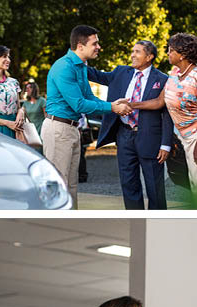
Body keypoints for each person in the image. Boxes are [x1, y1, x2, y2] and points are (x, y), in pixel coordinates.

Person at [130, 33, 197, 209]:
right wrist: (131, 104)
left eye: (171, 50)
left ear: (182, 55)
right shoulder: (175, 72)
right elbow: (159, 102)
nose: (168, 54)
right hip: (188, 134)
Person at [44, 25, 133, 209]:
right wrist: (113, 107)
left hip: (72, 128)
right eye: (95, 43)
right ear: (80, 45)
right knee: (59, 184)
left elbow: (89, 98)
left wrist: (113, 103)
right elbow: (79, 104)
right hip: (58, 130)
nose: (99, 47)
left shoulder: (81, 66)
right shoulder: (64, 67)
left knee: (72, 184)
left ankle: (72, 221)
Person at [87, 40, 174, 210]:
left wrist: (166, 144)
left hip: (151, 139)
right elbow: (97, 75)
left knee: (155, 188)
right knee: (129, 185)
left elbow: (168, 114)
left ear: (149, 57)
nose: (132, 55)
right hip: (124, 136)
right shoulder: (121, 72)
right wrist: (78, 58)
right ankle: (137, 221)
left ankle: (157, 224)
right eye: (132, 51)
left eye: (138, 52)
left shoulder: (163, 80)